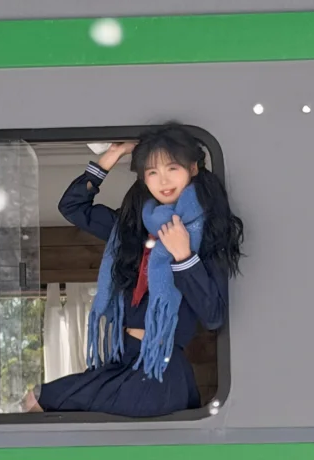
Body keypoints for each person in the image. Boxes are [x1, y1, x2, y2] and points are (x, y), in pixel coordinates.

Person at [23, 123, 242, 418]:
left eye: (172, 168)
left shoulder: (206, 235)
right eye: (152, 172)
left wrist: (183, 256)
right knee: (36, 399)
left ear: (192, 168)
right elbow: (73, 206)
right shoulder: (129, 230)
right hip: (124, 360)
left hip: (159, 372)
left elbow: (213, 315)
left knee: (44, 402)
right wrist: (113, 155)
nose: (163, 180)